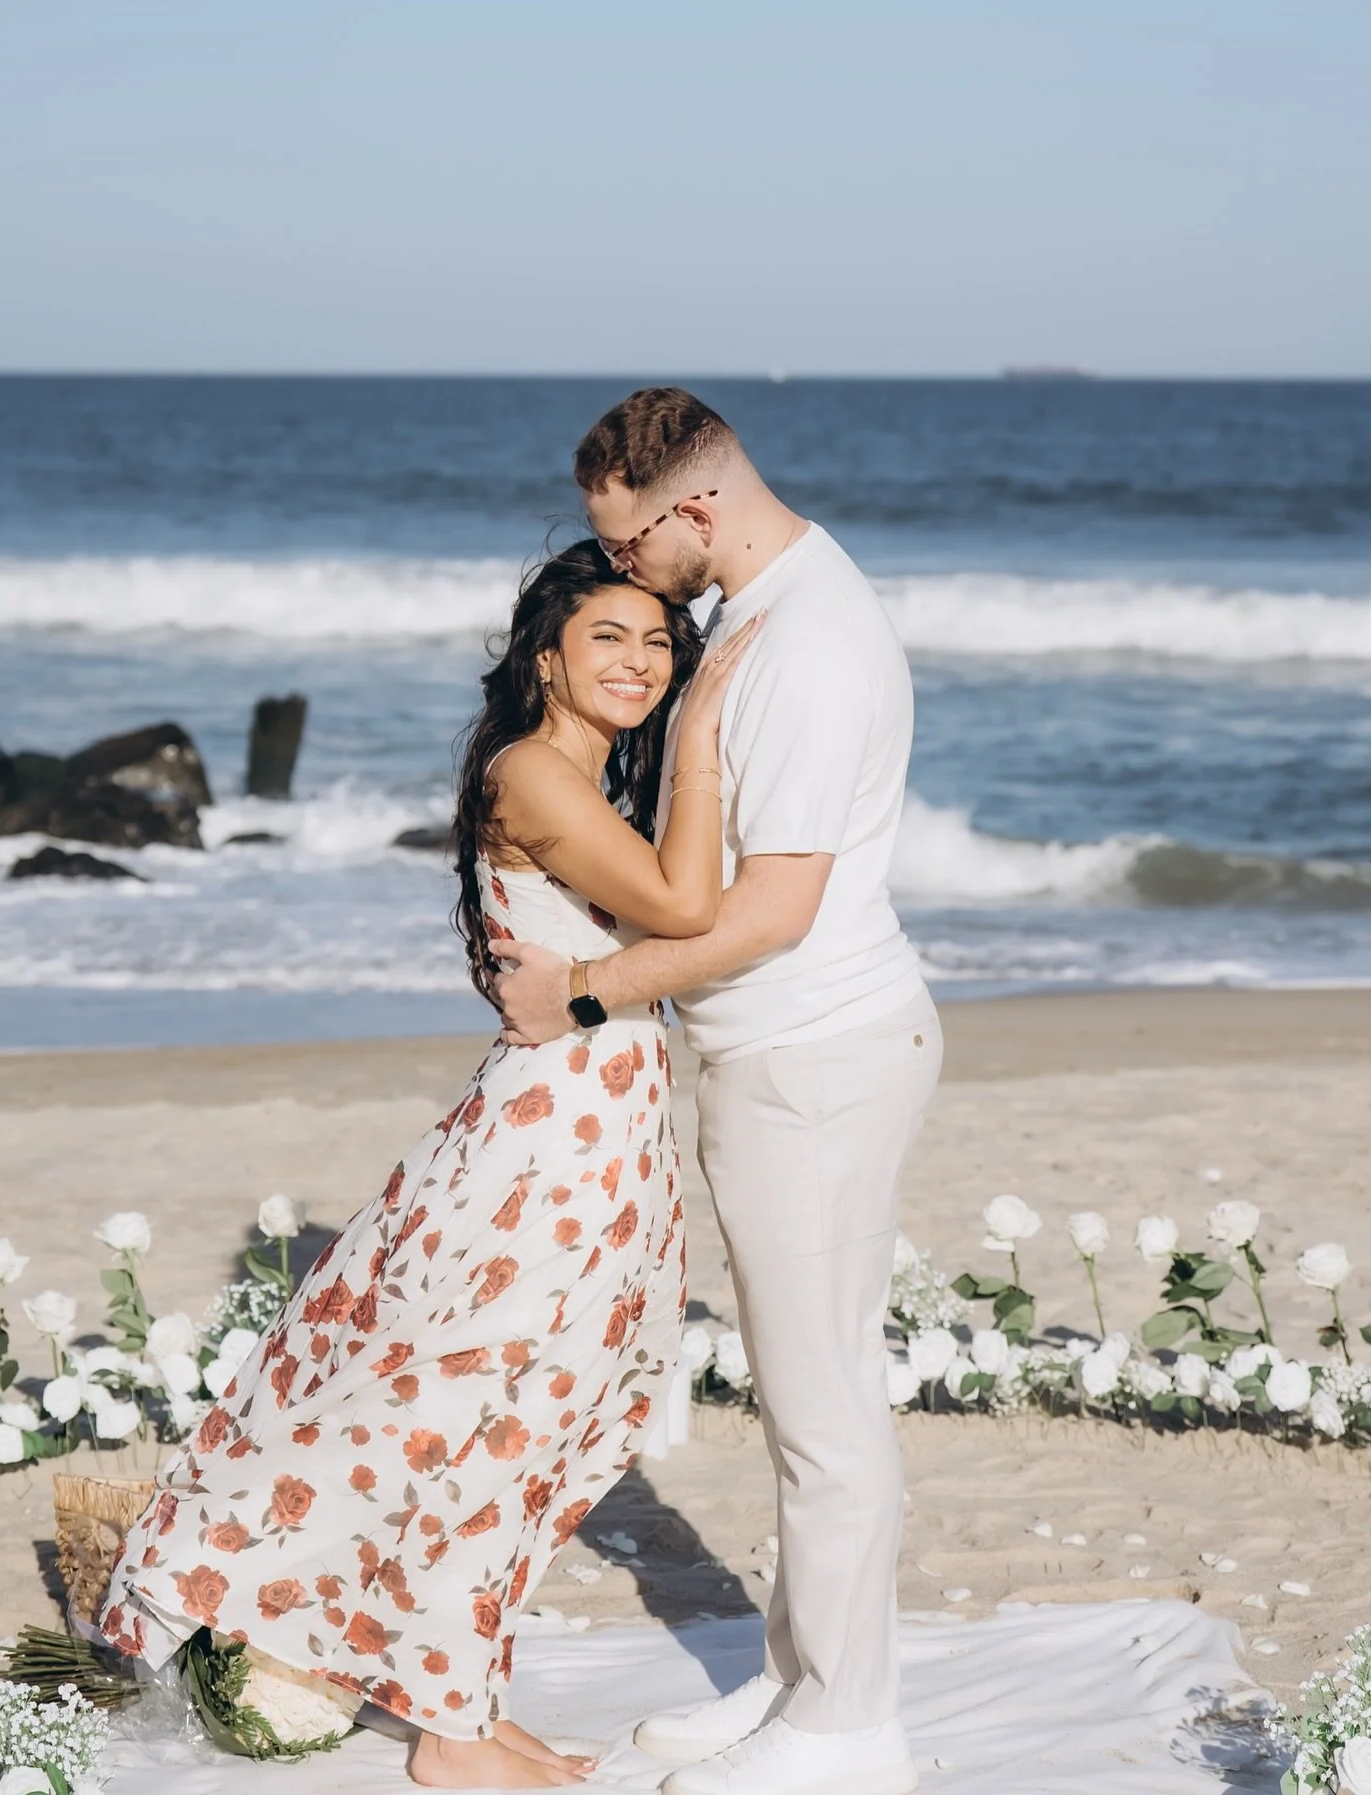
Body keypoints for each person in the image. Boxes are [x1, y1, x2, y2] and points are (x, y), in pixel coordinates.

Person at [98, 540, 760, 1790]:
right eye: (609, 638)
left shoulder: (573, 772)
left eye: (661, 645)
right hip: (549, 1143)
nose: (640, 661)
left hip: (591, 1123)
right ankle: (449, 1731)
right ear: (547, 656)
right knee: (489, 1423)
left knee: (529, 1423)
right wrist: (709, 731)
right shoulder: (531, 772)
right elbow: (686, 909)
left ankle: (463, 1693)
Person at [495, 390, 941, 1795]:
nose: (623, 569)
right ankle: (805, 1685)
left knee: (822, 1406)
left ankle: (851, 1724)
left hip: (814, 1051)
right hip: (791, 1053)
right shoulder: (763, 607)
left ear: (691, 504)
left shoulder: (805, 639)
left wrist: (585, 990)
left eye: (626, 539)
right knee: (808, 1392)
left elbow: (772, 912)